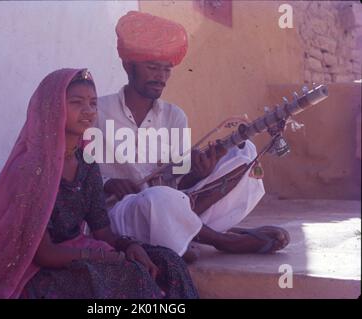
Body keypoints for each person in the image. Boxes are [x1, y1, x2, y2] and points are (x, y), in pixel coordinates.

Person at [0, 68, 199, 299]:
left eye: (93, 103)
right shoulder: (31, 169)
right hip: (36, 269)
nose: (88, 111)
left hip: (79, 253)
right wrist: (105, 258)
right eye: (77, 102)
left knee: (169, 262)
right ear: (52, 108)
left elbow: (102, 231)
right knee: (127, 275)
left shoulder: (86, 163)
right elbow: (43, 254)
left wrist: (128, 246)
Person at [96, 11, 290, 260]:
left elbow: (178, 182)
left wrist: (200, 172)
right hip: (121, 214)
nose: (160, 77)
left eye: (166, 70)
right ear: (128, 66)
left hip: (171, 203)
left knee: (245, 155)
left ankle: (182, 234)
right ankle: (223, 239)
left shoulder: (174, 116)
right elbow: (76, 171)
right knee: (159, 198)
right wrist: (107, 183)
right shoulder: (98, 111)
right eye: (152, 67)